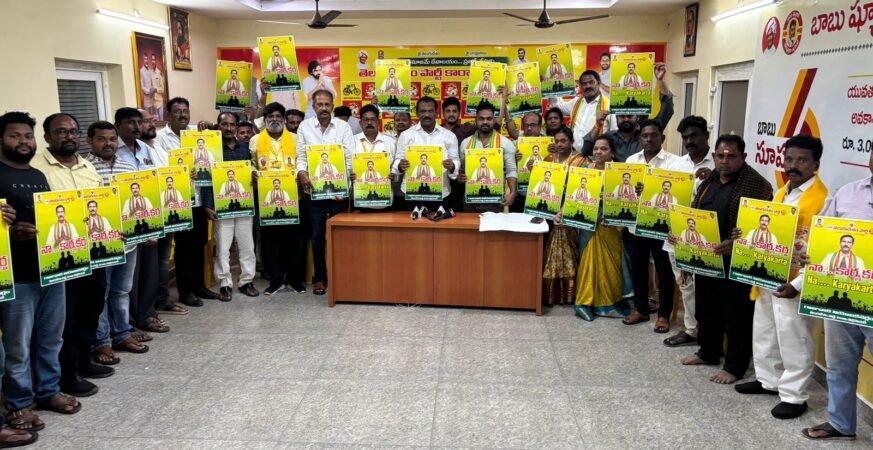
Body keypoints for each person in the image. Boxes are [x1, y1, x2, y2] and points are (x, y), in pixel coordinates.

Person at [735, 135, 829, 419]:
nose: (793, 165)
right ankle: (768, 381)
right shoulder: (781, 193)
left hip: (794, 281)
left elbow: (820, 251)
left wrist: (798, 284)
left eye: (801, 160)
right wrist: (744, 236)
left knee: (794, 338)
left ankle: (794, 396)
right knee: (765, 330)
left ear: (816, 164)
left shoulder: (823, 200)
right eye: (788, 159)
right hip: (768, 273)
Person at [680, 135, 773, 386]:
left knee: (737, 315)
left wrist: (735, 244)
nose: (725, 160)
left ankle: (734, 366)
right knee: (706, 309)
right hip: (708, 258)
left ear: (743, 157)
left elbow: (761, 227)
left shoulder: (758, 186)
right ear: (714, 157)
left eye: (731, 156)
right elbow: (695, 215)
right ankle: (708, 352)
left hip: (737, 262)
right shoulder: (709, 181)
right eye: (720, 155)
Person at [30, 112, 110, 401]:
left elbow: (103, 205)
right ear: (47, 136)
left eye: (73, 131)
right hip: (61, 257)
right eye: (61, 131)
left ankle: (83, 360)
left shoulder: (88, 166)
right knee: (64, 318)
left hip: (94, 252)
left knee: (91, 307)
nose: (69, 136)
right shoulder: (36, 169)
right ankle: (66, 374)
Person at [801, 151, 873, 441]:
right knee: (839, 364)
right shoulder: (848, 193)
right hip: (840, 297)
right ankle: (841, 423)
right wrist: (812, 254)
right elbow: (823, 235)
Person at [0, 111, 57, 440]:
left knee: (50, 337)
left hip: (50, 268)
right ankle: (19, 403)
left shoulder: (38, 175)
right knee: (17, 344)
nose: (23, 142)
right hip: (16, 275)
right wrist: (10, 232)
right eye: (15, 136)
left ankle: (48, 389)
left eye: (27, 136)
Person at [82, 121, 148, 368]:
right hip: (100, 245)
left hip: (128, 242)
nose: (108, 143)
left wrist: (147, 230)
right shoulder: (84, 169)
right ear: (90, 141)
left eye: (112, 139)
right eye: (101, 139)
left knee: (121, 291)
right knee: (101, 293)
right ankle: (102, 341)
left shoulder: (127, 166)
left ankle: (122, 333)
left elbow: (138, 201)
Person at [116, 107, 186, 328]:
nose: (137, 126)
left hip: (148, 217)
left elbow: (155, 182)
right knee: (129, 275)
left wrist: (155, 223)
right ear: (118, 125)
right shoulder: (113, 151)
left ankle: (146, 315)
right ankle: (128, 321)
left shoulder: (145, 149)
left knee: (149, 268)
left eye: (140, 122)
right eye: (131, 122)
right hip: (124, 221)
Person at [154, 98, 220, 309]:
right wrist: (182, 173)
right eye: (177, 111)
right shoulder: (160, 139)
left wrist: (210, 129)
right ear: (168, 115)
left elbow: (213, 153)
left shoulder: (196, 133)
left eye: (185, 111)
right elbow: (162, 170)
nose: (183, 115)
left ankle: (200, 286)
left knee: (199, 243)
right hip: (179, 202)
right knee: (183, 247)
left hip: (199, 199)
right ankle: (186, 291)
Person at [662, 115, 715, 348]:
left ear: (706, 135)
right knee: (685, 284)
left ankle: (710, 333)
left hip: (707, 237)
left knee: (707, 287)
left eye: (694, 136)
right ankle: (691, 330)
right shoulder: (675, 165)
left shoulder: (718, 164)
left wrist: (713, 179)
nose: (689, 141)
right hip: (677, 234)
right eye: (685, 137)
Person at [296, 89, 355, 296]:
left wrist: (344, 186)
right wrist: (301, 173)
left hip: (338, 192)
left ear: (332, 106)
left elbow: (349, 158)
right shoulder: (304, 127)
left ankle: (341, 276)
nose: (323, 108)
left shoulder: (343, 127)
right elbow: (301, 156)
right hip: (314, 191)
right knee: (317, 236)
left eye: (327, 104)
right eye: (319, 104)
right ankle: (320, 277)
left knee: (340, 235)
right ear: (313, 106)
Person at [622, 120, 678, 333]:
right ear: (640, 138)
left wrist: (651, 190)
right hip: (636, 224)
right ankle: (641, 309)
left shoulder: (673, 163)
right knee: (638, 269)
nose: (649, 139)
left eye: (653, 135)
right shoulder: (631, 160)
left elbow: (679, 192)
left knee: (664, 271)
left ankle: (664, 315)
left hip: (661, 226)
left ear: (662, 138)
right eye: (645, 136)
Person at [251, 102, 308, 295]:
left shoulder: (296, 138)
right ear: (265, 120)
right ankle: (275, 279)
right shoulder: (255, 140)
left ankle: (295, 279)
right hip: (268, 199)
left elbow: (302, 161)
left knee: (295, 240)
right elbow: (251, 164)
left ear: (283, 119)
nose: (274, 120)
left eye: (278, 116)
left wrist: (300, 173)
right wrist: (253, 173)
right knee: (270, 241)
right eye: (270, 117)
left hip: (293, 197)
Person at [575, 135, 634, 320]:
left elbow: (628, 200)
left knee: (612, 265)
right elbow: (574, 196)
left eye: (604, 149)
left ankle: (610, 303)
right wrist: (562, 212)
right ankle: (584, 303)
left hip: (611, 226)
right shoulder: (585, 171)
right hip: (588, 225)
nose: (598, 152)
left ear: (612, 153)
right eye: (596, 148)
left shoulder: (620, 174)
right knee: (588, 262)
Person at [211, 112, 259, 301]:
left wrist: (254, 178)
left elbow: (252, 172)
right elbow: (206, 178)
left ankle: (246, 281)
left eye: (232, 125)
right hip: (221, 205)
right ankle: (225, 284)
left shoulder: (245, 149)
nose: (229, 128)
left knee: (247, 245)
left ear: (237, 127)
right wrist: (208, 205)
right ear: (218, 126)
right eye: (225, 124)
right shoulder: (213, 149)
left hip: (244, 204)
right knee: (223, 247)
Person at [584, 63, 673, 160]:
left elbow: (667, 110)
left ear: (637, 117)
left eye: (630, 116)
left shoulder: (647, 134)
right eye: (622, 116)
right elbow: (586, 150)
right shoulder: (609, 137)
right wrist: (597, 124)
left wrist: (660, 81)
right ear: (616, 117)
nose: (626, 119)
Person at [542, 126, 589, 305]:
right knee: (551, 246)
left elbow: (585, 186)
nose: (560, 144)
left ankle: (571, 293)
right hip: (549, 210)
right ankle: (551, 293)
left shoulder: (581, 161)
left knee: (569, 248)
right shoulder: (548, 159)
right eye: (557, 141)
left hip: (572, 209)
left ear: (571, 142)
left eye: (564, 141)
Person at [394, 96, 461, 212]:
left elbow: (456, 160)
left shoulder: (449, 136)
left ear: (436, 113)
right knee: (413, 223)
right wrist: (400, 165)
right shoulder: (406, 135)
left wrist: (452, 166)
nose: (426, 115)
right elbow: (398, 160)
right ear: (417, 113)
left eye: (430, 111)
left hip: (441, 193)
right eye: (423, 111)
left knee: (439, 223)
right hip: (412, 194)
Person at [458, 103, 518, 212]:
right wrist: (461, 177)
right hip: (470, 201)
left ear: (494, 120)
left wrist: (513, 192)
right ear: (476, 120)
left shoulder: (505, 143)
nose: (485, 122)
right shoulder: (465, 143)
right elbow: (462, 170)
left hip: (496, 202)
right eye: (481, 119)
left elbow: (511, 170)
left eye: (489, 118)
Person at [551, 70, 616, 153]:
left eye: (591, 82)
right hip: (573, 155)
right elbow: (556, 106)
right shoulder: (575, 102)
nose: (588, 86)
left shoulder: (609, 106)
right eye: (584, 84)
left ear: (599, 83)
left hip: (596, 156)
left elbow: (615, 133)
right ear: (581, 86)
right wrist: (550, 85)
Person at [353, 104, 396, 209]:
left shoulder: (390, 142)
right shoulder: (352, 141)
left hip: (384, 203)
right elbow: (347, 167)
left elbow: (397, 166)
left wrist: (394, 174)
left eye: (372, 119)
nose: (369, 123)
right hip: (359, 202)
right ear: (360, 123)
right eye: (366, 120)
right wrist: (350, 176)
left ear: (378, 122)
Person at [150, 55, 165, 120]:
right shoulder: (149, 72)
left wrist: (156, 89)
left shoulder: (159, 73)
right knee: (155, 121)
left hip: (159, 101)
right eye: (152, 60)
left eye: (154, 60)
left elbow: (162, 89)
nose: (153, 62)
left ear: (155, 61)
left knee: (161, 120)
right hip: (152, 102)